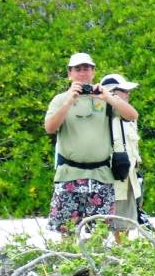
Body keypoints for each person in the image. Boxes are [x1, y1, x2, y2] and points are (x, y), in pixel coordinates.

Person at [45, 53, 138, 234]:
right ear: (69, 73)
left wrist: (109, 98)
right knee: (67, 233)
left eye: (86, 68)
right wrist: (68, 102)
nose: (82, 73)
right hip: (69, 176)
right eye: (77, 69)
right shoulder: (59, 99)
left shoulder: (104, 99)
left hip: (101, 176)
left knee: (100, 234)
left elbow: (132, 115)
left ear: (93, 72)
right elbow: (50, 127)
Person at [100, 73, 143, 243]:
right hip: (106, 179)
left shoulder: (129, 116)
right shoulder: (100, 115)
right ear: (112, 92)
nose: (128, 94)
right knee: (99, 227)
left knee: (124, 225)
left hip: (128, 177)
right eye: (124, 90)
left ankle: (122, 260)